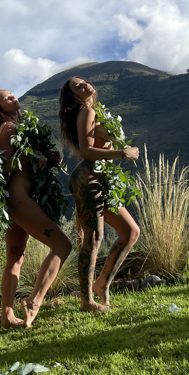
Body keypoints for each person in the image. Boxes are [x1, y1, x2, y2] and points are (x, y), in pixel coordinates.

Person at [0, 90, 72, 328]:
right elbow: (3, 166)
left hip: (17, 198)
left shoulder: (20, 127)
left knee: (16, 256)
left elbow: (27, 162)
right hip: (17, 198)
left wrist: (47, 159)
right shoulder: (6, 128)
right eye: (5, 98)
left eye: (12, 94)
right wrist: (30, 157)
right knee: (62, 245)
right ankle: (34, 302)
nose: (12, 97)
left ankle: (7, 318)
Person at [59, 77, 140, 312]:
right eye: (78, 86)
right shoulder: (85, 111)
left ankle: (102, 284)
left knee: (130, 232)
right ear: (74, 97)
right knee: (93, 238)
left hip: (102, 179)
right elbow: (86, 150)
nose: (84, 85)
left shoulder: (96, 110)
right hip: (87, 178)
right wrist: (121, 154)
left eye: (83, 81)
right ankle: (86, 301)